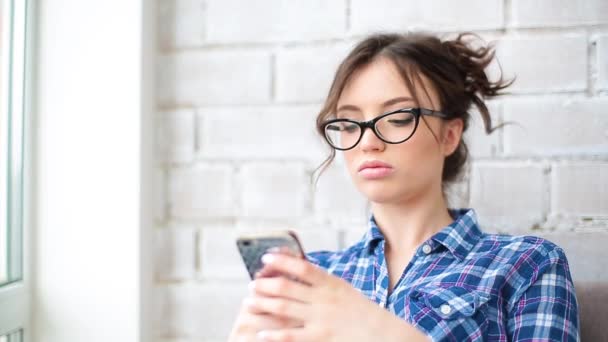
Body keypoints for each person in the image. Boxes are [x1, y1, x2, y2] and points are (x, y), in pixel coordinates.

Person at [228, 32, 579, 341]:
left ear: (449, 135)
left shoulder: (526, 264)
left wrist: (375, 330)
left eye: (398, 118)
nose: (367, 142)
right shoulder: (318, 277)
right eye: (349, 124)